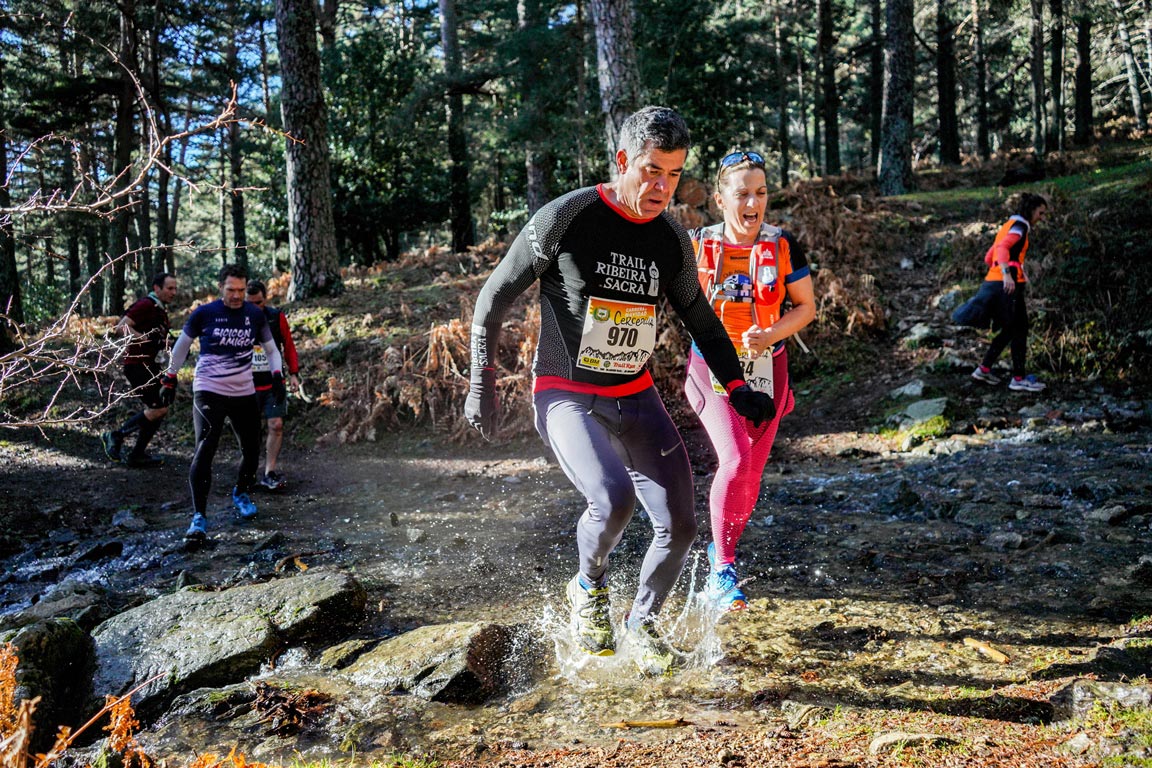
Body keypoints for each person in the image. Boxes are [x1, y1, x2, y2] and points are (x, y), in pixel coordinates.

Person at [464, 106, 775, 675]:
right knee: (611, 499)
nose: (662, 187)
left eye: (675, 175)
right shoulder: (567, 217)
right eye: (652, 171)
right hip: (565, 392)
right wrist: (480, 381)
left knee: (680, 524)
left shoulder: (670, 238)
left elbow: (701, 319)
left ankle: (644, 623)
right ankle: (587, 588)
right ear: (623, 160)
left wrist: (736, 386)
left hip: (635, 394)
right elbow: (493, 297)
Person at [686, 151, 816, 612]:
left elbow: (805, 307)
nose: (753, 203)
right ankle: (722, 569)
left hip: (770, 367)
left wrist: (771, 333)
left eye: (760, 193)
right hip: (712, 369)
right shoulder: (696, 244)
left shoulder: (782, 246)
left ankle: (722, 551)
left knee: (751, 474)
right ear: (720, 198)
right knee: (736, 459)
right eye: (742, 193)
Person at [164, 264, 285, 541]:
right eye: (231, 290)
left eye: (241, 290)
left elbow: (271, 350)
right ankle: (199, 517)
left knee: (252, 449)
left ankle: (241, 492)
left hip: (244, 391)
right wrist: (169, 377)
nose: (237, 296)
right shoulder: (205, 313)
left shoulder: (254, 315)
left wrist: (277, 375)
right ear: (221, 287)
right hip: (209, 389)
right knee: (206, 447)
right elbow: (181, 346)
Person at [970, 193, 1049, 392]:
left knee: (1011, 328)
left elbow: (990, 256)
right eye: (1041, 213)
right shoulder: (1020, 227)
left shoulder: (1009, 225)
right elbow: (1004, 248)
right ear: (1031, 210)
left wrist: (1008, 270)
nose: (1042, 217)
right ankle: (1018, 378)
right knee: (1019, 328)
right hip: (1007, 284)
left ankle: (984, 369)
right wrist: (1007, 274)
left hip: (997, 282)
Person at [102, 272, 179, 468]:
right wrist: (146, 339)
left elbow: (155, 338)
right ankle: (115, 435)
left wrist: (172, 344)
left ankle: (137, 454)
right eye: (169, 288)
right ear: (156, 288)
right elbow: (121, 328)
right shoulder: (145, 305)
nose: (174, 292)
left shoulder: (159, 310)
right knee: (158, 408)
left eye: (175, 288)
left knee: (160, 408)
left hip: (151, 365)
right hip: (137, 365)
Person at [244, 280, 301, 490]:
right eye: (250, 303)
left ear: (265, 299)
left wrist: (294, 373)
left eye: (258, 303)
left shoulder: (276, 317)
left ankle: (269, 471)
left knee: (276, 425)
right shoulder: (236, 318)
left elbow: (288, 346)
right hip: (245, 384)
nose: (254, 308)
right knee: (249, 431)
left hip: (273, 382)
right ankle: (247, 472)